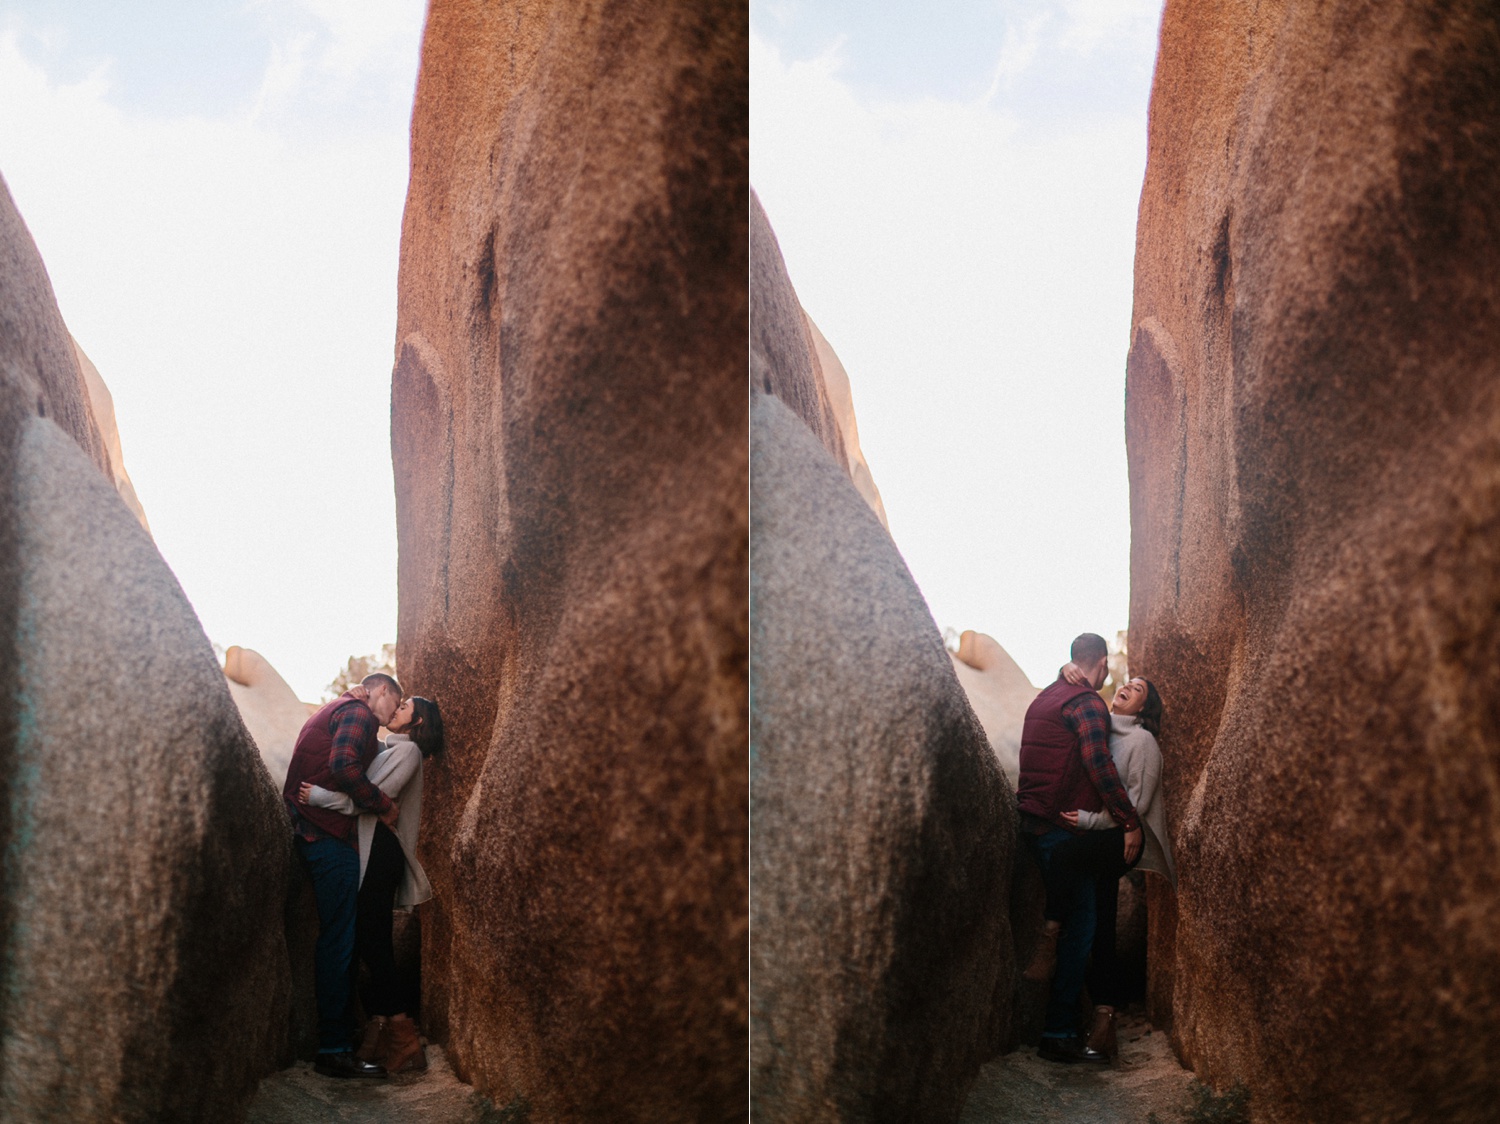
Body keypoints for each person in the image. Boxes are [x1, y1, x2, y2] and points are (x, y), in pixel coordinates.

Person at [298, 690, 444, 1075]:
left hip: (381, 852)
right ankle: (382, 1034)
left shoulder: (408, 753)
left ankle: (403, 1036)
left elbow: (368, 798)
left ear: (418, 723)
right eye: (397, 703)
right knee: (368, 939)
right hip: (371, 847)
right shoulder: (388, 748)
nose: (396, 709)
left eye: (405, 707)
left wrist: (321, 798)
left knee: (373, 941)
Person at [1015, 633, 1142, 1065]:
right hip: (1059, 828)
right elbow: (1098, 763)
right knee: (1082, 929)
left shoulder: (1048, 696)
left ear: (1073, 661)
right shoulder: (1086, 703)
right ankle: (1059, 1033)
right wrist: (1129, 820)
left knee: (1068, 919)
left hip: (1032, 824)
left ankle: (1061, 1018)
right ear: (1102, 664)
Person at [1045, 671, 1177, 1059]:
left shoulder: (1142, 741)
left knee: (1063, 856)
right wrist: (1063, 674)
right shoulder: (1101, 731)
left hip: (1124, 841)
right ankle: (1103, 1026)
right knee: (1102, 928)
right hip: (1107, 836)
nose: (1127, 688)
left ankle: (1049, 933)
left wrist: (1089, 821)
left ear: (1143, 708)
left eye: (1138, 690)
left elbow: (1138, 802)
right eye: (1127, 682)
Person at [282, 673, 402, 1080]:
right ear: (382, 691)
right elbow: (344, 766)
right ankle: (334, 1048)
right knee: (340, 939)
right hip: (325, 834)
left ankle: (339, 1043)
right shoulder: (360, 712)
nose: (387, 719)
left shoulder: (340, 707)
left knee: (340, 935)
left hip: (312, 828)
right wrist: (383, 805)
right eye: (393, 705)